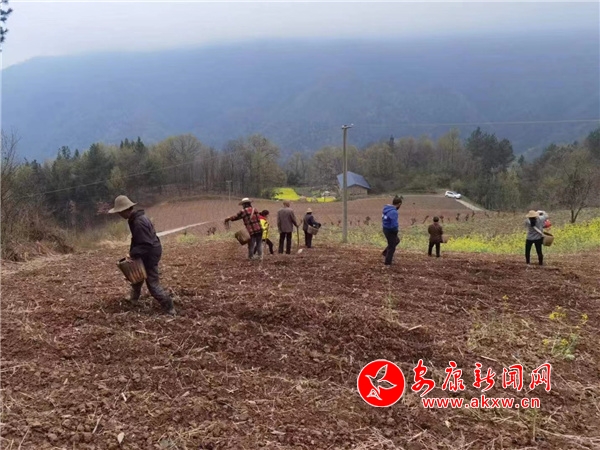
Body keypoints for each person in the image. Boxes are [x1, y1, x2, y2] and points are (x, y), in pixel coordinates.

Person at [108, 195, 175, 315]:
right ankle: (133, 298)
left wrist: (132, 254)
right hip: (147, 251)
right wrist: (131, 254)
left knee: (153, 284)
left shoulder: (139, 222)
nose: (119, 214)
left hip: (150, 253)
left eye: (119, 212)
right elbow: (136, 240)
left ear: (125, 210)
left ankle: (169, 306)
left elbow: (145, 244)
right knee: (137, 276)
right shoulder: (134, 219)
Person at [381, 195, 403, 266]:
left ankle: (385, 253)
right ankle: (387, 263)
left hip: (385, 228)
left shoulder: (386, 208)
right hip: (390, 230)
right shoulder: (394, 212)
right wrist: (396, 230)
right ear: (399, 204)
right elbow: (394, 224)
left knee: (396, 240)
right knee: (392, 246)